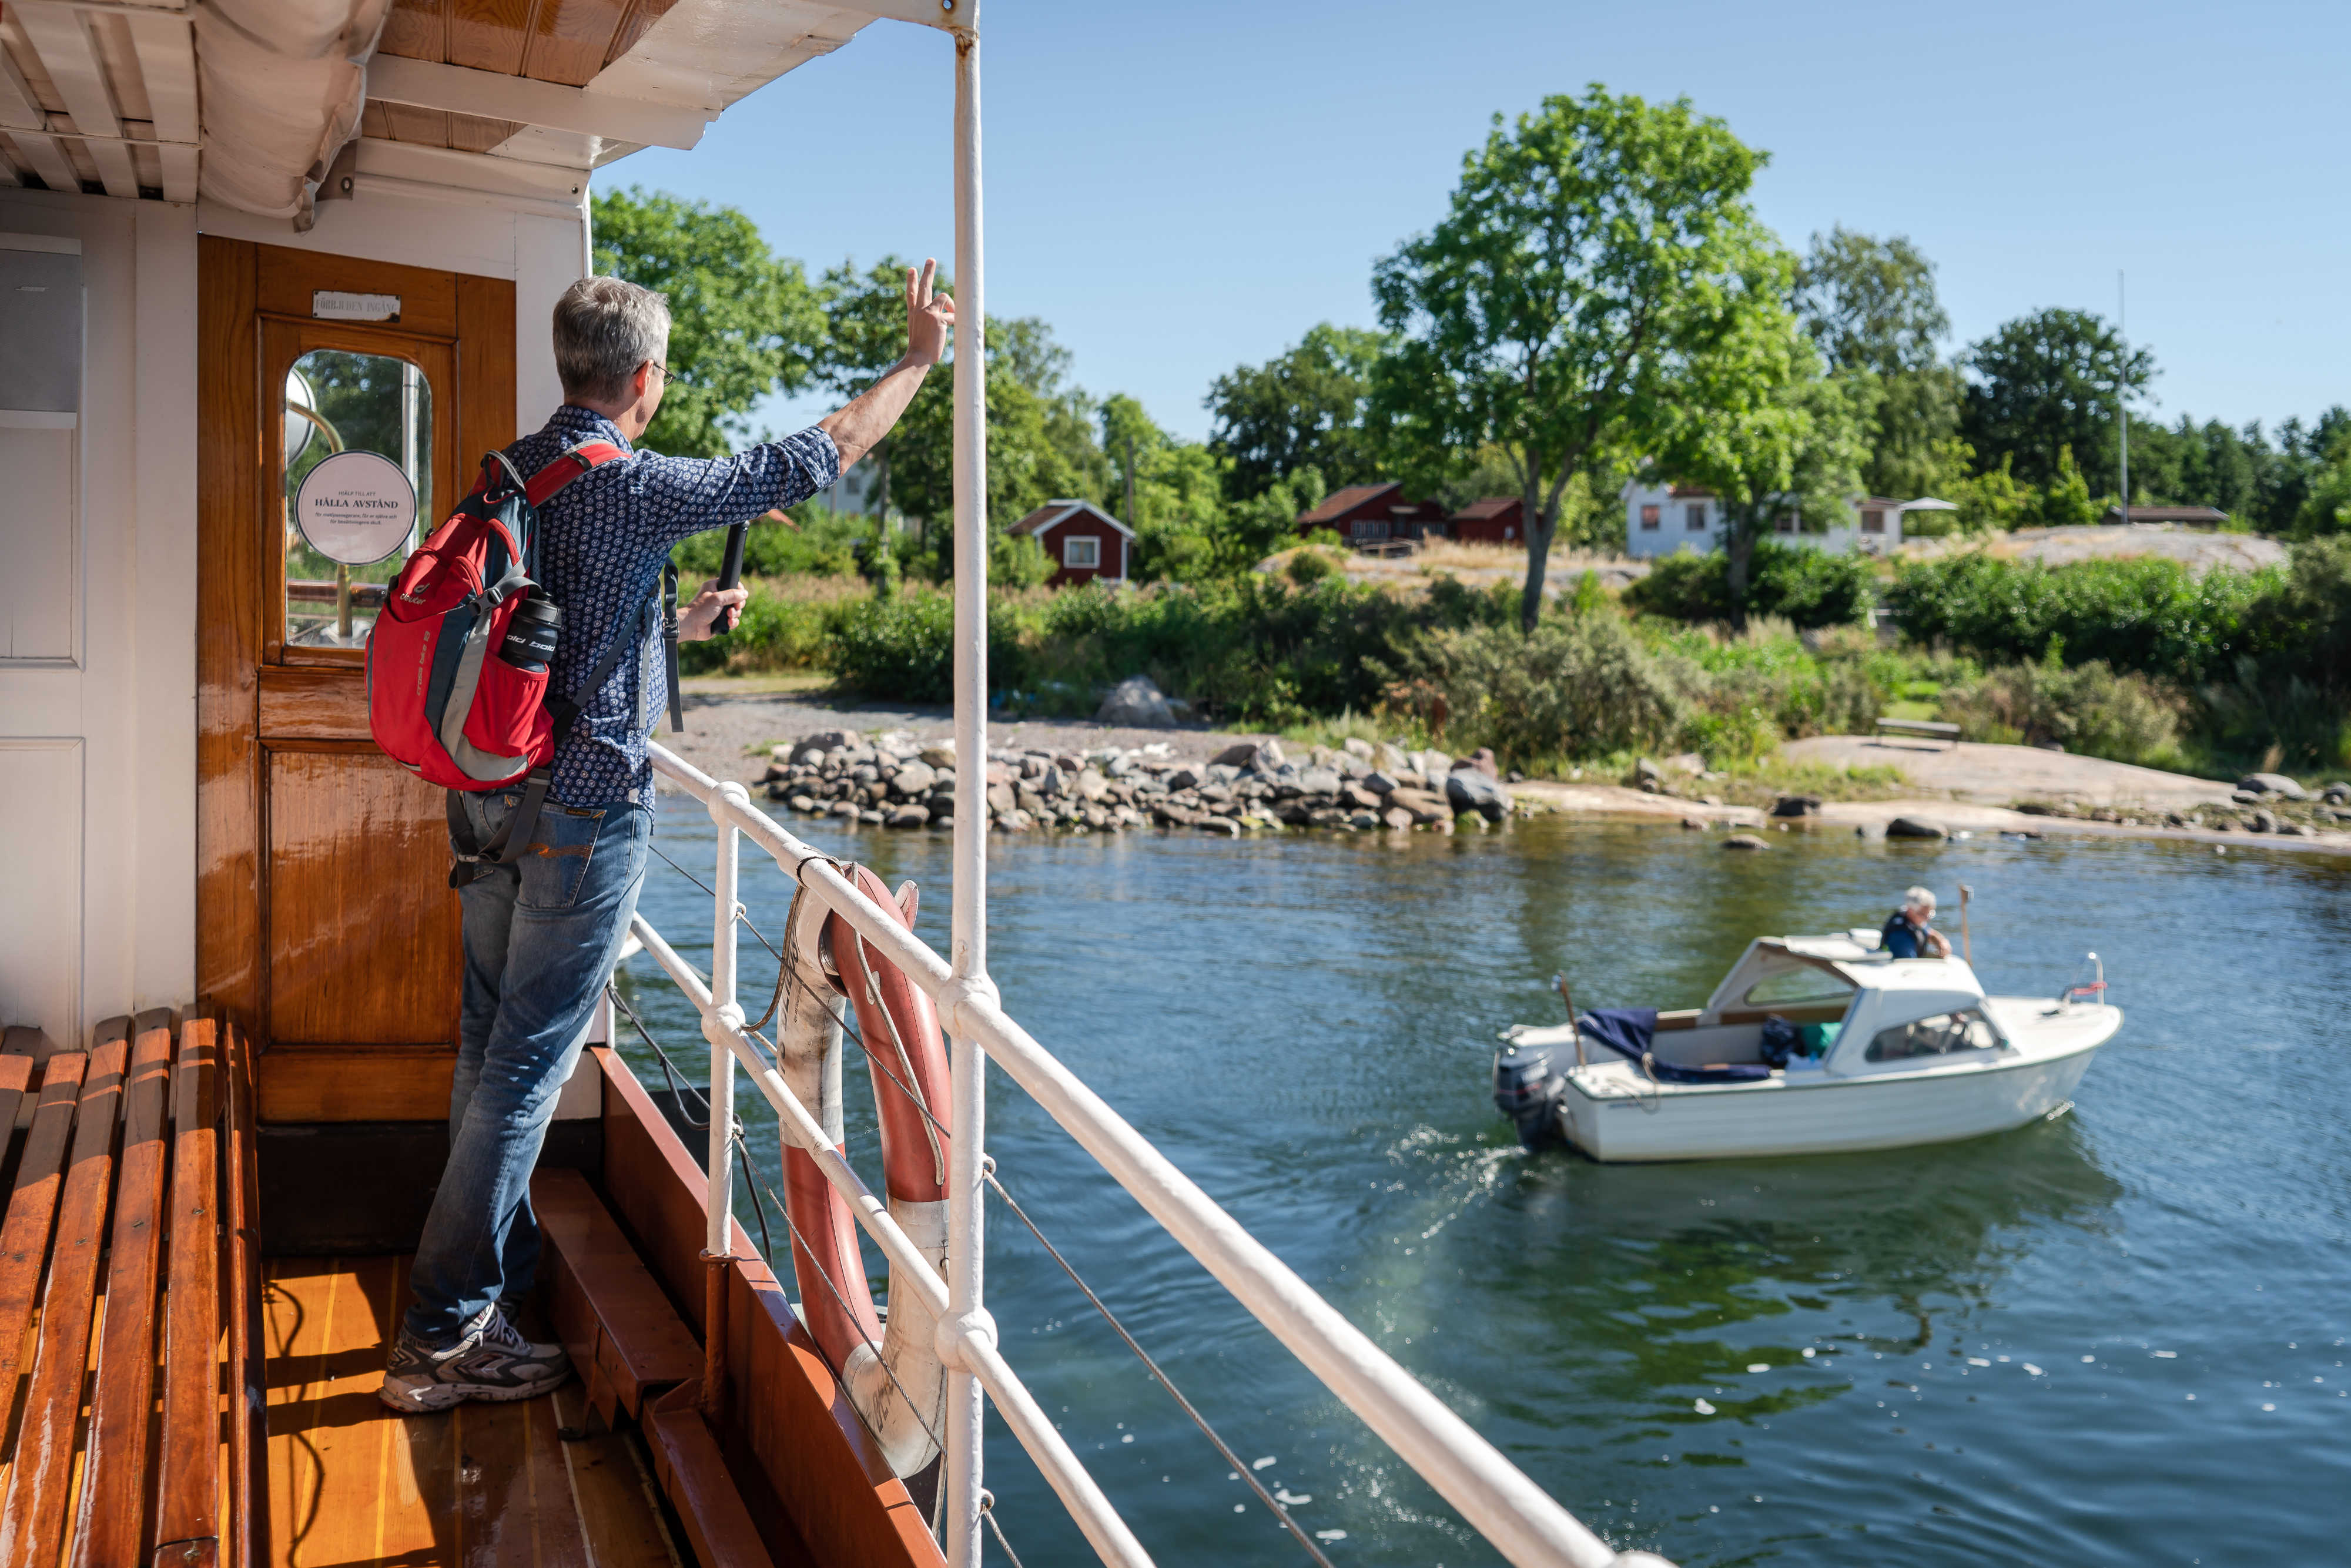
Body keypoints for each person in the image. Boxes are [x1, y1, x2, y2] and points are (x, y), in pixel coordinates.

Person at [381, 264, 954, 1415]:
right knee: (526, 1070)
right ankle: (441, 1334)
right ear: (645, 376)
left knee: (488, 1050)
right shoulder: (628, 483)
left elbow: (553, 625)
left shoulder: (519, 468)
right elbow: (812, 456)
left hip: (488, 796)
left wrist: (675, 624)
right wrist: (915, 362)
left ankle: (490, 1288)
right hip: (580, 816)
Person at [1880, 885, 1951, 960]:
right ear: (1911, 912)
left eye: (1930, 913)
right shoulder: (1900, 936)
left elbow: (1928, 932)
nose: (1928, 919)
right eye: (1924, 915)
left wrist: (1941, 941)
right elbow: (1910, 964)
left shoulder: (1914, 921)